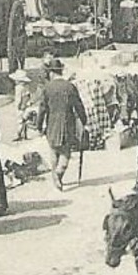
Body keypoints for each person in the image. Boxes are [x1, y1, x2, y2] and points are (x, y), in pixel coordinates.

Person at [36, 59, 87, 192]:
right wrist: (84, 120)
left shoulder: (47, 88)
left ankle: (55, 176)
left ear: (51, 73)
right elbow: (79, 106)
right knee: (65, 153)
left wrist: (39, 126)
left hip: (52, 123)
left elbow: (42, 109)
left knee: (53, 150)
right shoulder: (70, 86)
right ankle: (59, 173)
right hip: (67, 123)